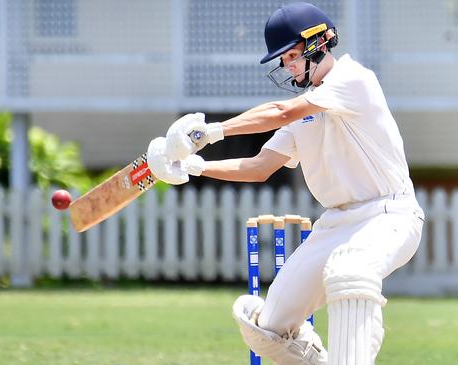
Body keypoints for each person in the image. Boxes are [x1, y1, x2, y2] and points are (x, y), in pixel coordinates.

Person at [146, 2, 425, 364]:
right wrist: (195, 166)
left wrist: (211, 131)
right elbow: (258, 167)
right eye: (285, 60)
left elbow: (280, 111)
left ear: (319, 44)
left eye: (293, 56)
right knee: (266, 328)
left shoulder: (353, 80)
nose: (289, 67)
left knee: (350, 269)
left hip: (389, 215)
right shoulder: (305, 113)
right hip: (337, 223)